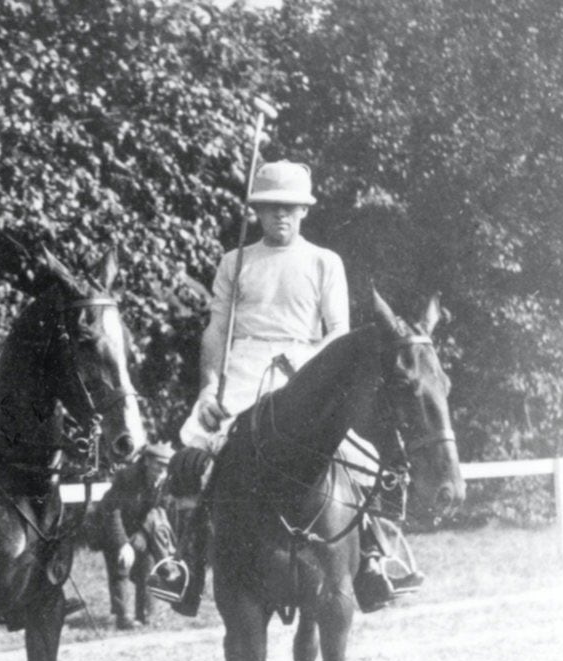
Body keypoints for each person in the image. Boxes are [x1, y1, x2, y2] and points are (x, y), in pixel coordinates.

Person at [150, 160, 421, 615]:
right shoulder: (234, 262)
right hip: (244, 372)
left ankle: (375, 557)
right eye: (272, 207)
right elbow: (217, 330)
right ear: (257, 211)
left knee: (360, 455)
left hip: (308, 368)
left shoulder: (324, 261)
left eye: (290, 208)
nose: (281, 216)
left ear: (304, 211)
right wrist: (209, 386)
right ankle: (186, 566)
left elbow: (339, 331)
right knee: (201, 453)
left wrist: (312, 370)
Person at [86, 442, 175, 630]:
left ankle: (147, 616)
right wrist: (123, 544)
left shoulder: (165, 481)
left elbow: (162, 509)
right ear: (147, 461)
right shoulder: (127, 478)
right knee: (121, 569)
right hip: (111, 527)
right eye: (159, 464)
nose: (162, 469)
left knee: (149, 565)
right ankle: (123, 616)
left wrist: (145, 536)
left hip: (140, 528)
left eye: (166, 466)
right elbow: (112, 511)